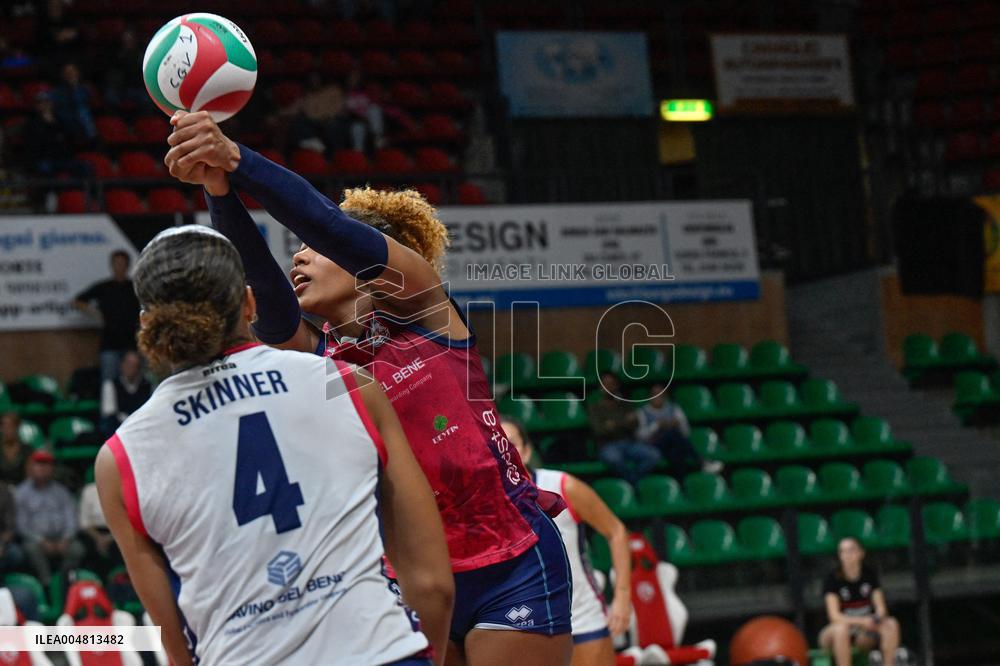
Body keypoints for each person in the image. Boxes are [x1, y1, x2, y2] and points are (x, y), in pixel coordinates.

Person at [164, 110, 573, 666]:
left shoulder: (428, 312)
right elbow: (268, 303)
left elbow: (327, 225)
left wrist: (237, 159)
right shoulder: (318, 359)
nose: (298, 256)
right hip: (408, 570)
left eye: (311, 248)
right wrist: (220, 190)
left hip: (510, 556)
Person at [96, 225, 453, 666]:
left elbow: (178, 647)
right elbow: (434, 586)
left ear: (146, 325)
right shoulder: (345, 384)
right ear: (249, 304)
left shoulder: (122, 457)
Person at [502, 418, 631, 666]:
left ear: (526, 451)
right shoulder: (484, 502)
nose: (504, 451)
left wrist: (623, 596)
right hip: (520, 626)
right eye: (496, 445)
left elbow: (616, 531)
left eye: (511, 443)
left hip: (580, 618)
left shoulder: (561, 486)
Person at [819, 537, 903, 666]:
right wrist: (862, 621)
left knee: (891, 623)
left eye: (851, 550)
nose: (847, 555)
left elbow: (881, 608)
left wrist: (876, 619)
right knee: (841, 629)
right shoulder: (832, 578)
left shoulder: (869, 575)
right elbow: (834, 616)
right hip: (834, 633)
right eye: (843, 551)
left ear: (861, 553)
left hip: (863, 632)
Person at [15, 450, 85, 588]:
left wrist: (66, 538)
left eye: (47, 464)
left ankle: (65, 584)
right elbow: (21, 525)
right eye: (39, 464)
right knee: (31, 549)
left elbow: (72, 518)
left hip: (61, 539)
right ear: (30, 467)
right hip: (36, 540)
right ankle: (46, 585)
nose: (43, 468)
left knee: (77, 548)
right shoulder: (21, 493)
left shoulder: (62, 491)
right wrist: (41, 541)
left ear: (52, 468)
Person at [73, 250, 141, 384]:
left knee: (134, 381)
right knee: (109, 381)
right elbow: (77, 301)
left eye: (122, 264)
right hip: (110, 342)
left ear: (128, 266)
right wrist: (95, 314)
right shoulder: (104, 287)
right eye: (116, 263)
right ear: (112, 265)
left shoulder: (134, 287)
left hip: (131, 342)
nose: (119, 267)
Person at [587, 373, 660, 486]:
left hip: (629, 443)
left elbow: (635, 424)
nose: (608, 387)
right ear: (600, 387)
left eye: (611, 384)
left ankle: (632, 480)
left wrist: (613, 424)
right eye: (605, 384)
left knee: (653, 455)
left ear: (617, 385)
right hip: (608, 445)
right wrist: (623, 422)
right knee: (614, 459)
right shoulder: (595, 408)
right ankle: (632, 484)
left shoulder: (625, 405)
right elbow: (600, 430)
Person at [636, 384, 721, 479]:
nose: (658, 397)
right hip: (653, 446)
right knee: (671, 434)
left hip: (672, 445)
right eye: (655, 394)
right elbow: (640, 436)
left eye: (661, 395)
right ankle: (701, 461)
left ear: (666, 396)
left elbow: (686, 432)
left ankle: (682, 482)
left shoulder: (674, 409)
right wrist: (657, 426)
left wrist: (678, 425)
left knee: (676, 452)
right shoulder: (642, 412)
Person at [99, 350, 151, 435]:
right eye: (128, 364)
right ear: (122, 365)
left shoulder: (147, 386)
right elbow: (109, 414)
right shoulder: (111, 385)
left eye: (135, 365)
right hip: (119, 431)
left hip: (141, 429)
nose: (131, 368)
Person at [77, 471, 118, 578]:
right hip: (93, 533)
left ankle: (119, 582)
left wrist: (110, 538)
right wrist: (99, 538)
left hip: (116, 532)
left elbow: (125, 520)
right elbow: (84, 522)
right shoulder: (88, 491)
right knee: (88, 549)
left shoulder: (121, 488)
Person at [0, 412, 31, 484]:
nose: (7, 430)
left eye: (11, 426)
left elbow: (29, 477)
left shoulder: (26, 450)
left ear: (17, 427)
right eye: (4, 426)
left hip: (21, 487)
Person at [0, 481, 24, 574]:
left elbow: (10, 527)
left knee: (15, 554)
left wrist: (2, 545)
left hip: (2, 542)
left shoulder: (4, 492)